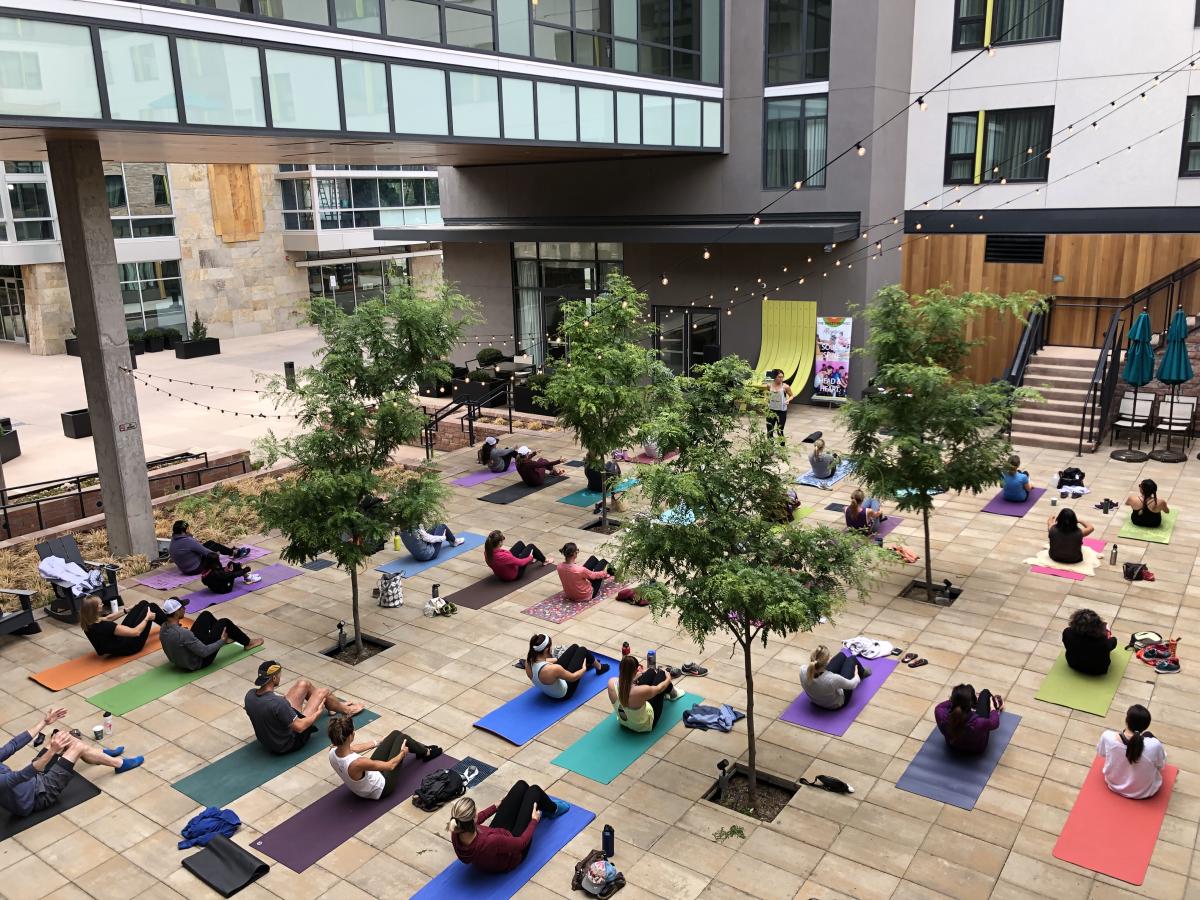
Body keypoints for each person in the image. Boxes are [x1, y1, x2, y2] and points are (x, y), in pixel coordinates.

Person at [0, 708, 142, 818]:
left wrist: (45, 722)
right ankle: (119, 764)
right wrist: (52, 750)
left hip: (34, 780)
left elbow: (13, 745)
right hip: (38, 797)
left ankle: (100, 754)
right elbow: (22, 775)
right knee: (77, 747)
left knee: (63, 737)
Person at [244, 660, 364, 755]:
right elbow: (300, 727)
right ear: (274, 678)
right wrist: (317, 713)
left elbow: (262, 709)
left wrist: (283, 707)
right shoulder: (277, 703)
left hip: (271, 738)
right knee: (323, 692)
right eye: (279, 675)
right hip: (288, 743)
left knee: (303, 684)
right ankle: (348, 710)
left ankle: (332, 706)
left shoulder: (250, 695)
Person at [448, 785, 570, 874]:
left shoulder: (457, 829)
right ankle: (553, 810)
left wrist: (495, 807)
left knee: (520, 787)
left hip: (495, 842)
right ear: (471, 820)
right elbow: (521, 843)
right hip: (513, 855)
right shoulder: (490, 841)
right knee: (534, 791)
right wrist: (534, 821)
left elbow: (477, 819)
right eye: (475, 812)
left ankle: (537, 807)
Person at [326, 716, 442, 801]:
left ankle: (420, 749)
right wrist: (402, 753)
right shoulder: (358, 763)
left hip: (364, 781)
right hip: (382, 788)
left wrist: (379, 742)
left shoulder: (332, 750)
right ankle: (426, 752)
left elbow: (353, 748)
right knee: (402, 738)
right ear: (351, 736)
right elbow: (390, 766)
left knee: (395, 733)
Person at [159, 596, 263, 672]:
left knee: (205, 615)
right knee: (224, 622)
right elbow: (204, 652)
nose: (185, 609)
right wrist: (221, 642)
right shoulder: (183, 634)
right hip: (199, 662)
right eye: (183, 608)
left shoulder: (164, 627)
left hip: (183, 659)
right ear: (177, 612)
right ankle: (248, 643)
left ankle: (228, 635)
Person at [1098, 704, 1166, 799]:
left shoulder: (1107, 736)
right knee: (1149, 735)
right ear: (1146, 726)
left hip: (1113, 784)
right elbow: (1161, 765)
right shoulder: (1154, 745)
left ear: (1127, 720)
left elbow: (1102, 753)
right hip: (1143, 792)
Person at [607, 653, 679, 733]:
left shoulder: (611, 682)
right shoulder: (640, 691)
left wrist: (636, 677)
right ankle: (674, 694)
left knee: (651, 672)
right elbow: (660, 687)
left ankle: (668, 690)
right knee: (661, 674)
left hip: (624, 721)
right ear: (635, 671)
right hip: (643, 725)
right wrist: (669, 678)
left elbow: (625, 684)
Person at [525, 633, 608, 698]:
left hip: (549, 686)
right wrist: (583, 668)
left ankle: (590, 662)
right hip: (563, 694)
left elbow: (543, 662)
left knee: (575, 647)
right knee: (582, 650)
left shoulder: (528, 662)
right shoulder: (554, 669)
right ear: (546, 649)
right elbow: (573, 677)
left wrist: (558, 660)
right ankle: (599, 668)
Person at [79, 596, 165, 657]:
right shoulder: (106, 626)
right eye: (101, 604)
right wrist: (147, 618)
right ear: (96, 608)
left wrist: (126, 610)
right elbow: (136, 632)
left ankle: (167, 621)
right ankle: (171, 624)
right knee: (151, 607)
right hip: (130, 646)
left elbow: (108, 618)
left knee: (143, 603)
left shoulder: (87, 622)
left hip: (117, 644)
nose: (103, 605)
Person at [935, 684, 1003, 754]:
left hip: (953, 746)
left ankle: (969, 699)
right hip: (976, 749)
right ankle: (996, 703)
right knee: (985, 693)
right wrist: (992, 708)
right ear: (970, 704)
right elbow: (995, 723)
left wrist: (958, 699)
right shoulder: (978, 723)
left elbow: (946, 704)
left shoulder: (940, 713)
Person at [799, 645, 871, 710]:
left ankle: (847, 672)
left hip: (815, 700)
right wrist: (856, 675)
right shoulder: (832, 679)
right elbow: (852, 685)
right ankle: (862, 673)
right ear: (826, 663)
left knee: (841, 655)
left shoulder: (802, 670)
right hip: (834, 705)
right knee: (851, 659)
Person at [169, 519, 250, 575]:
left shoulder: (174, 540)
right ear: (183, 532)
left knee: (209, 544)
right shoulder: (188, 541)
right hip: (195, 569)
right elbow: (206, 552)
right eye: (187, 529)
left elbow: (194, 549)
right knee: (213, 545)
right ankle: (235, 553)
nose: (189, 530)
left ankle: (232, 552)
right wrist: (216, 554)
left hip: (185, 569)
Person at [1062, 608, 1118, 676]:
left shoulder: (1067, 632)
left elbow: (1067, 645)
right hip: (1098, 670)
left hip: (1073, 663)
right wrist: (1109, 636)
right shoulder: (1103, 641)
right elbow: (1113, 643)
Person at [484, 530, 549, 581]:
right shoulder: (502, 556)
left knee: (520, 544)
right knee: (531, 546)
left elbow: (502, 560)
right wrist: (530, 558)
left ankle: (533, 557)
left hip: (501, 573)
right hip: (513, 575)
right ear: (499, 543)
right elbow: (521, 563)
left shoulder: (487, 552)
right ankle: (545, 560)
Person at [400, 524, 465, 562]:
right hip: (429, 555)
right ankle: (454, 541)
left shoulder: (401, 531)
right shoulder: (416, 530)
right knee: (442, 526)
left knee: (434, 527)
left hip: (416, 556)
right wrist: (443, 537)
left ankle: (452, 540)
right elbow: (430, 539)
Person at [765, 369, 793, 443]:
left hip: (781, 411)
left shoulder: (785, 387)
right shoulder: (769, 385)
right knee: (769, 431)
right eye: (779, 377)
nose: (781, 379)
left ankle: (782, 449)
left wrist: (788, 400)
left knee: (779, 431)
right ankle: (770, 448)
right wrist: (767, 399)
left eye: (782, 377)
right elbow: (768, 393)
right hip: (771, 410)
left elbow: (791, 395)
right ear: (774, 377)